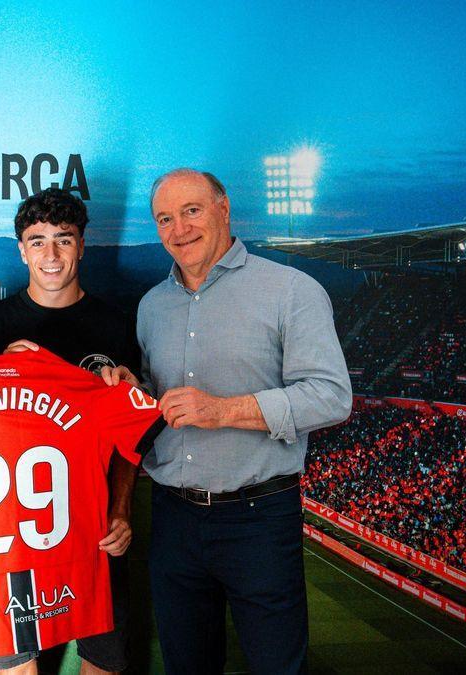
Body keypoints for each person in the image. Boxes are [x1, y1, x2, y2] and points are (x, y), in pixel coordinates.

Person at [138, 169, 351, 674]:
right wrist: (133, 391)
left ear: (224, 209)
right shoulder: (151, 306)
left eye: (191, 211)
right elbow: (158, 404)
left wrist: (223, 410)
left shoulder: (291, 290)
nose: (179, 229)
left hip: (258, 518)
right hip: (173, 520)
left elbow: (331, 397)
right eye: (165, 219)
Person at [0, 188, 141, 675]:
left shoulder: (116, 326)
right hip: (17, 531)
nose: (51, 255)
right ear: (21, 249)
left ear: (82, 245)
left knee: (103, 662)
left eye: (63, 240)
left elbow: (130, 435)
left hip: (95, 528)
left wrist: (121, 506)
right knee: (19, 667)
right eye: (38, 241)